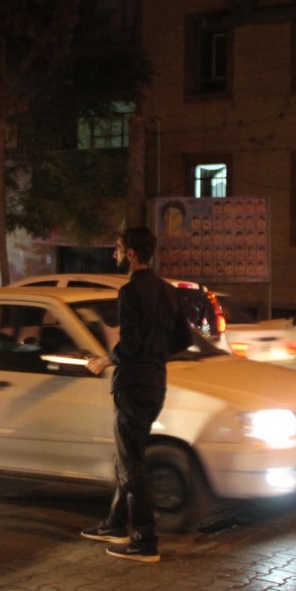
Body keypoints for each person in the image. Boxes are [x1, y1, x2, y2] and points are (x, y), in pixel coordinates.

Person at [82, 226, 192, 563]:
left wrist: (103, 361)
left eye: (117, 247)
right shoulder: (168, 291)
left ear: (131, 254)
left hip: (132, 385)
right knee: (128, 457)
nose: (114, 253)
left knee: (132, 464)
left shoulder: (130, 292)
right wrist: (155, 354)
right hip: (156, 383)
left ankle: (145, 540)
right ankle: (116, 523)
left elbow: (128, 345)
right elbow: (184, 339)